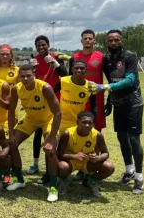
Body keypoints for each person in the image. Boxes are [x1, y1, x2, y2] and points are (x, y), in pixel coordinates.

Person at [95, 29, 144, 194]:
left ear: (121, 41)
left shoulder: (130, 56)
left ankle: (139, 178)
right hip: (118, 105)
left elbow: (130, 80)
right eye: (110, 40)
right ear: (106, 42)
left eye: (116, 40)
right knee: (122, 138)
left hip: (134, 104)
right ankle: (129, 170)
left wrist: (106, 88)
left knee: (134, 140)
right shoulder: (107, 59)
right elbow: (111, 79)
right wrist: (110, 100)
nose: (113, 43)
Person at [7, 64, 61, 202]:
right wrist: (12, 134)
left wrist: (50, 139)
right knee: (12, 145)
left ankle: (53, 188)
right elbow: (12, 110)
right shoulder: (16, 88)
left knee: (50, 150)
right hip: (30, 119)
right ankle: (20, 181)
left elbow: (58, 113)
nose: (25, 79)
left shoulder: (45, 87)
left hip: (47, 119)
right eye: (22, 76)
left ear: (34, 75)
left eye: (28, 76)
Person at [28, 35, 68, 181]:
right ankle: (35, 164)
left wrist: (56, 63)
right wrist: (32, 68)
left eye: (43, 45)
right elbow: (30, 79)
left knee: (50, 135)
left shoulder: (55, 57)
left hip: (55, 99)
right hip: (39, 101)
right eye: (38, 45)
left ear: (48, 45)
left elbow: (65, 75)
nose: (41, 47)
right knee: (38, 133)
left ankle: (50, 171)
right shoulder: (35, 60)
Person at [57, 111, 114, 197]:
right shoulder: (67, 133)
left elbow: (105, 153)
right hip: (71, 162)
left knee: (109, 167)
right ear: (77, 122)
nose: (87, 125)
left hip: (88, 163)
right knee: (62, 166)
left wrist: (97, 158)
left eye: (90, 123)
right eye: (83, 122)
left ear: (93, 124)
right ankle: (64, 181)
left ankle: (92, 181)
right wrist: (74, 156)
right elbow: (59, 155)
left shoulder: (97, 135)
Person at [69, 30, 106, 131]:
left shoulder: (101, 56)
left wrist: (110, 101)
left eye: (90, 38)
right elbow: (69, 78)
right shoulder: (75, 57)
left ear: (94, 40)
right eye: (85, 38)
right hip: (78, 97)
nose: (87, 40)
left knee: (96, 128)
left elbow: (109, 77)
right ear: (81, 40)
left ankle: (95, 147)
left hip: (97, 96)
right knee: (77, 126)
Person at [54, 60, 97, 135]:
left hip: (79, 122)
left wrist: (93, 122)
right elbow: (51, 95)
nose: (79, 70)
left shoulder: (90, 86)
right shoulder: (63, 81)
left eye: (82, 68)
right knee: (57, 145)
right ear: (72, 69)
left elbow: (94, 106)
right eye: (76, 68)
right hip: (61, 121)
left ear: (86, 69)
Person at [0, 44, 20, 124]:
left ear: (11, 55)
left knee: (11, 132)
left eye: (7, 54)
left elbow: (21, 88)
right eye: (2, 54)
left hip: (11, 105)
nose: (5, 56)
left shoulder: (17, 70)